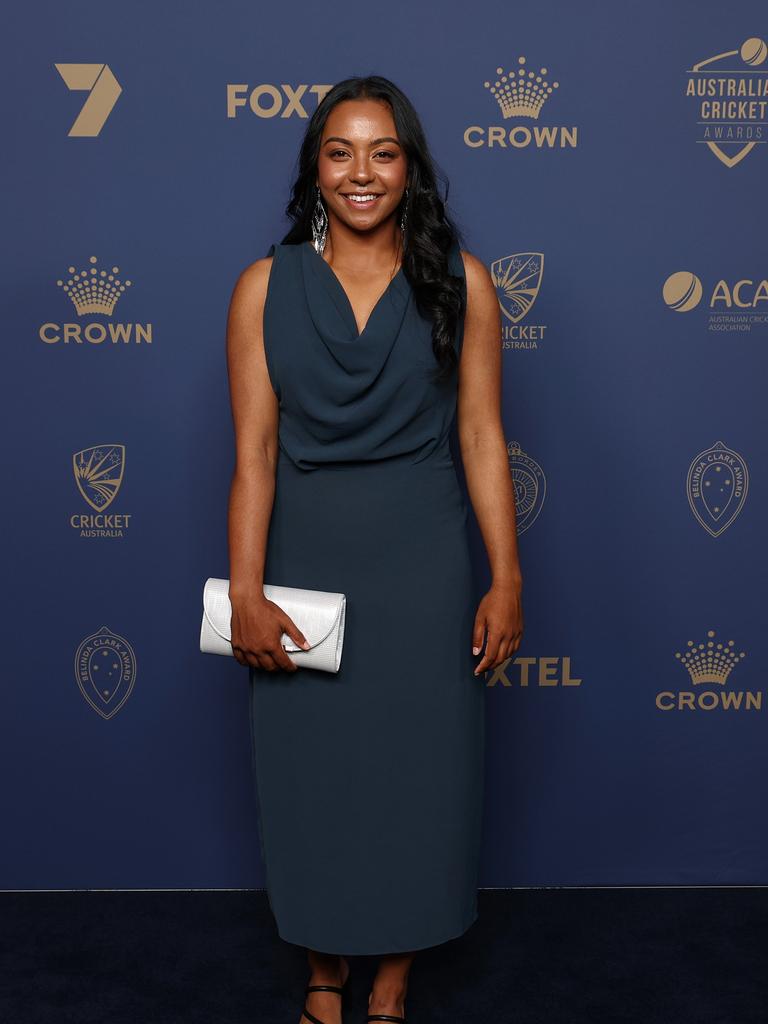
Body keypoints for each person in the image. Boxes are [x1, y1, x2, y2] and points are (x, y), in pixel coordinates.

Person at [225, 75, 523, 1024]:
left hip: (424, 567)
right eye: (341, 151)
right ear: (315, 165)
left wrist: (506, 578)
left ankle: (391, 981)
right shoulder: (263, 288)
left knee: (416, 775)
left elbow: (481, 438)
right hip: (305, 563)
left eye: (383, 152)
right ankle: (323, 967)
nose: (363, 172)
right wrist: (244, 590)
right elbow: (255, 457)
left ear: (410, 168)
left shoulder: (463, 283)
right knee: (314, 774)